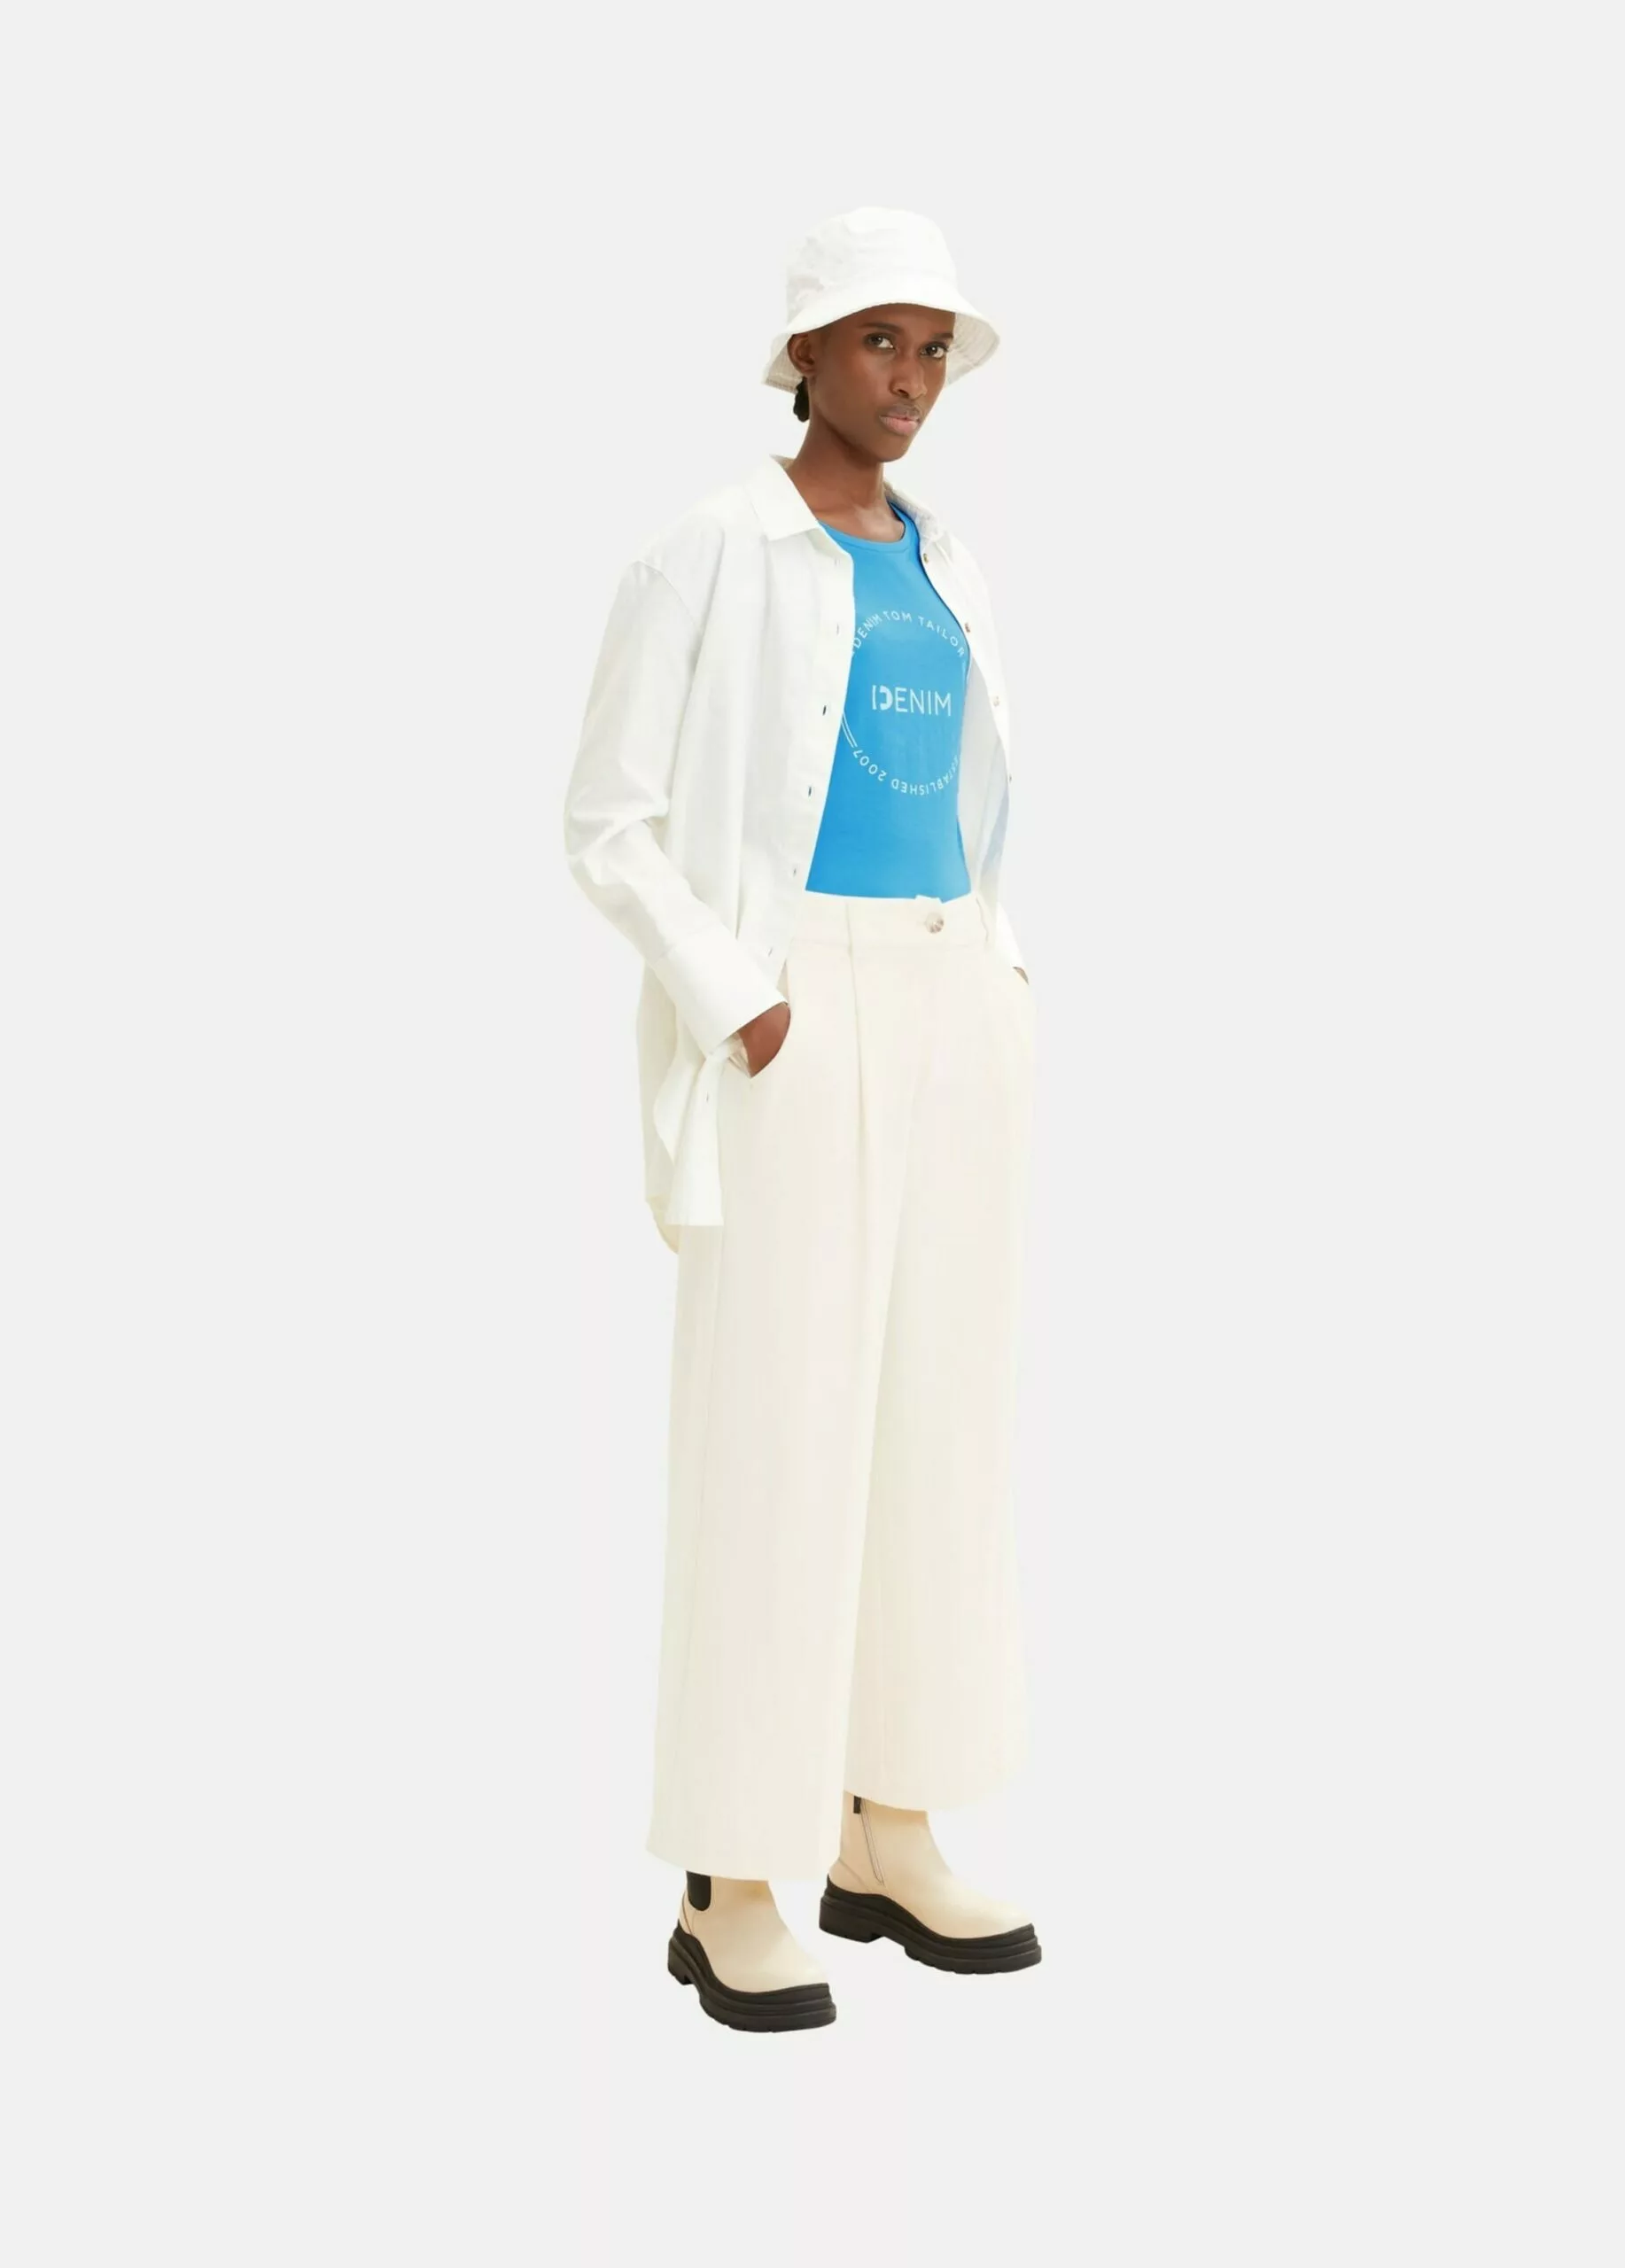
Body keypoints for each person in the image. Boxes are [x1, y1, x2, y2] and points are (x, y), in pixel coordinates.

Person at [562, 206, 1040, 2032]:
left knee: (936, 1426)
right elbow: (606, 818)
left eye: (932, 348)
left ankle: (883, 1823)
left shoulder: (949, 563)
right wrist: (738, 997)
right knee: (776, 1433)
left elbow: (969, 799)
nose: (911, 379)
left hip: (951, 998)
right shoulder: (708, 550)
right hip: (790, 1007)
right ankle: (731, 1876)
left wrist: (997, 972)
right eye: (878, 343)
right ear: (805, 357)